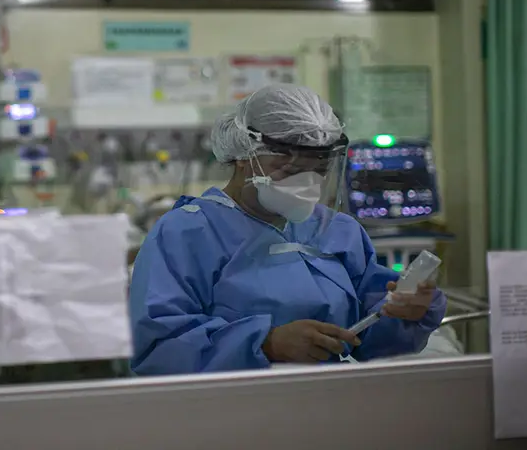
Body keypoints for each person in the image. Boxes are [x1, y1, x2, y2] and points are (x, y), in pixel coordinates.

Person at [127, 84, 447, 375]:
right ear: (243, 154)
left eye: (319, 170)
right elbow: (159, 347)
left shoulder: (337, 232)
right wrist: (266, 344)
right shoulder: (186, 234)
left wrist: (406, 312)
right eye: (290, 169)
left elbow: (373, 339)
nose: (307, 182)